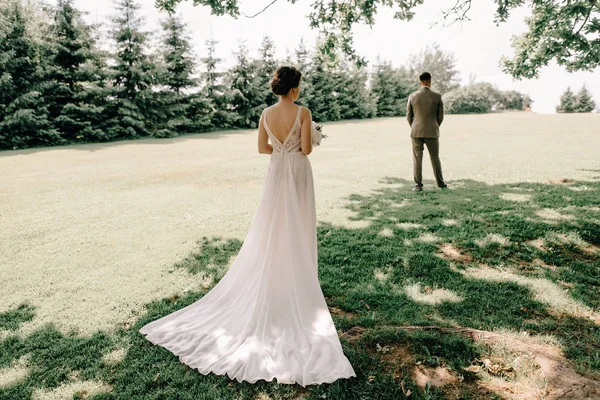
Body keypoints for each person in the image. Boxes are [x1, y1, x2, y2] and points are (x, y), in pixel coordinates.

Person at [140, 66, 356, 386]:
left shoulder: (266, 114)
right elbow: (308, 149)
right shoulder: (304, 112)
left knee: (272, 226)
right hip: (297, 172)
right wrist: (312, 139)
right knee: (298, 225)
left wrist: (281, 148)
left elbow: (262, 149)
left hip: (276, 171)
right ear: (295, 88)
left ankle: (278, 274)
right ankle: (297, 278)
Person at [407, 72, 448, 191]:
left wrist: (415, 126)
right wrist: (434, 125)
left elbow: (409, 116)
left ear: (420, 82)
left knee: (417, 159)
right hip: (432, 131)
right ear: (430, 81)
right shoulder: (437, 96)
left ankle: (418, 185)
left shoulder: (412, 96)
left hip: (416, 132)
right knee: (435, 158)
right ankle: (440, 183)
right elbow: (440, 117)